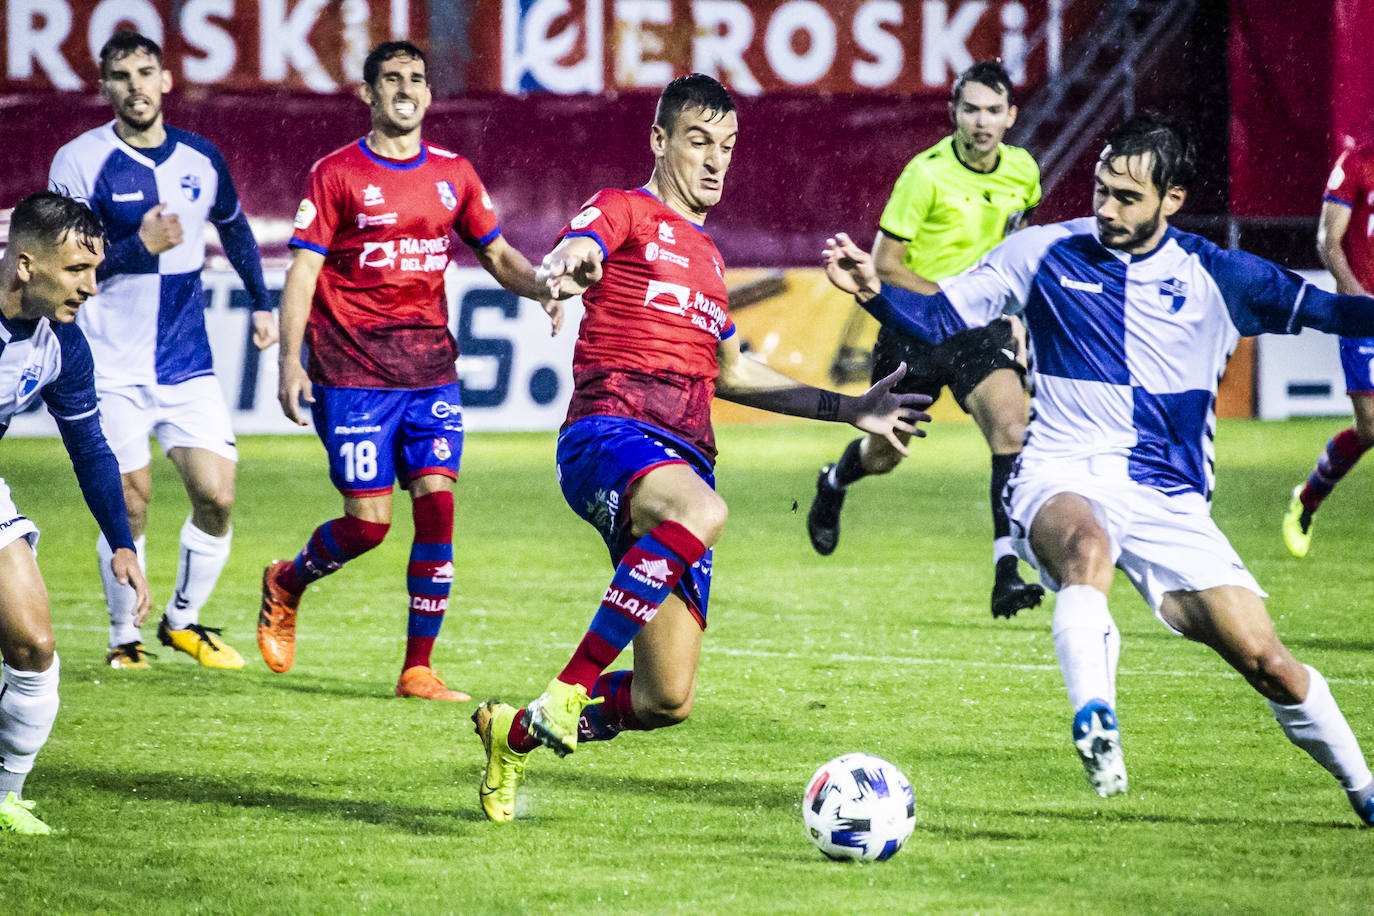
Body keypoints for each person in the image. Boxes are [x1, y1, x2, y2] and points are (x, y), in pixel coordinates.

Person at [822, 113, 1374, 825]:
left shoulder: (1222, 276)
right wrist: (872, 291)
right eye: (1100, 190)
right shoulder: (1041, 253)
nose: (1106, 209)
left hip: (1170, 498)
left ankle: (1362, 786)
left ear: (1172, 199)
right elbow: (938, 322)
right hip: (1061, 468)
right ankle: (1095, 718)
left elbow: (1339, 315)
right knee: (1088, 550)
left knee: (1267, 661)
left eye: (1127, 198)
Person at [470, 74, 929, 822]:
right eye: (697, 141)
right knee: (704, 509)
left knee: (665, 698)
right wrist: (568, 269)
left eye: (728, 146)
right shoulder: (623, 209)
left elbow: (734, 372)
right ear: (659, 140)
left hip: (681, 457)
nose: (716, 161)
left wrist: (852, 408)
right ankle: (567, 686)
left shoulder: (711, 258)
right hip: (608, 434)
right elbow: (578, 251)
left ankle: (512, 734)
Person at [257, 41, 562, 700]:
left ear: (429, 93)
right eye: (391, 78)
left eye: (416, 78)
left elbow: (499, 254)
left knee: (438, 508)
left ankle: (417, 669)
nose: (405, 88)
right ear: (367, 93)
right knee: (368, 524)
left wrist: (544, 288)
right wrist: (288, 360)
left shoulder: (455, 173)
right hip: (351, 372)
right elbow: (303, 269)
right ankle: (288, 579)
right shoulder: (336, 174)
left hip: (430, 371)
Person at [47, 31, 275, 670]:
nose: (136, 86)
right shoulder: (79, 162)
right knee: (132, 499)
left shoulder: (201, 158)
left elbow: (234, 228)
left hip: (185, 364)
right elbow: (65, 269)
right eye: (121, 76)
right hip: (107, 364)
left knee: (218, 495)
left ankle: (183, 620)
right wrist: (132, 248)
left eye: (146, 72)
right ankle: (126, 637)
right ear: (105, 87)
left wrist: (262, 301)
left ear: (166, 80)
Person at [806, 61, 1044, 619]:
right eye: (971, 109)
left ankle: (1007, 570)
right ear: (954, 114)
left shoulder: (1023, 171)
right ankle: (835, 479)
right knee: (886, 454)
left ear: (1010, 116)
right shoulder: (925, 175)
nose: (981, 121)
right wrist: (954, 299)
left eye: (992, 110)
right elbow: (887, 264)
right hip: (913, 329)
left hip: (977, 333)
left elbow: (1018, 243)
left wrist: (1014, 313)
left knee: (1013, 427)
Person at [0, 192, 151, 833]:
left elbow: (89, 447)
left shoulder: (61, 344)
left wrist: (121, 540)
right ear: (27, 264)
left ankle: (4, 796)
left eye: (95, 270)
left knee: (34, 646)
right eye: (77, 271)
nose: (91, 287)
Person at [1282, 139, 1374, 557]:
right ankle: (1307, 500)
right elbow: (1328, 240)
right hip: (1363, 314)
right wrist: (1355, 295)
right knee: (1371, 427)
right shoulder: (1356, 162)